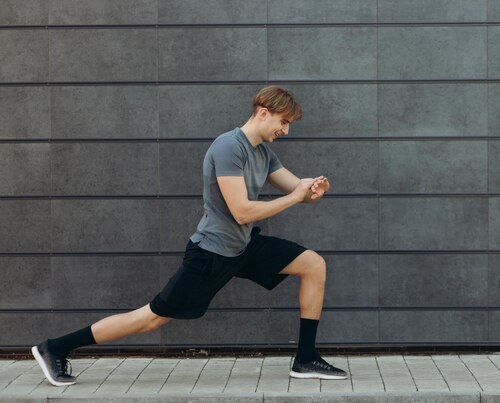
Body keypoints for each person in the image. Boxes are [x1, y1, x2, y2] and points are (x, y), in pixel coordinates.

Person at [31, 85, 348, 386]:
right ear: (264, 113)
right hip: (211, 253)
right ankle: (56, 347)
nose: (286, 130)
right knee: (151, 318)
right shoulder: (228, 147)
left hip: (243, 246)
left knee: (313, 265)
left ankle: (305, 358)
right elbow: (241, 211)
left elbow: (298, 190)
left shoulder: (264, 155)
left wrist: (314, 190)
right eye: (284, 122)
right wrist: (296, 197)